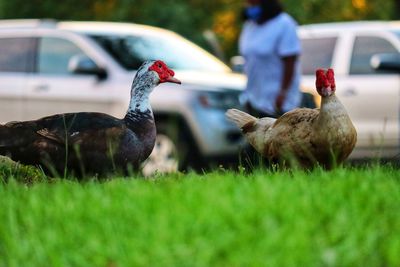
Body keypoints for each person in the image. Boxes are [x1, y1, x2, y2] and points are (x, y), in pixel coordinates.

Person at [239, 0, 302, 118]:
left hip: (279, 104)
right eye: (248, 4)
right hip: (254, 101)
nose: (250, 7)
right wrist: (248, 95)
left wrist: (283, 93)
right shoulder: (250, 25)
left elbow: (290, 62)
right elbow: (249, 61)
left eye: (254, 4)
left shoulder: (284, 24)